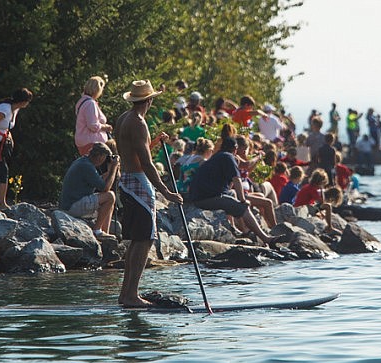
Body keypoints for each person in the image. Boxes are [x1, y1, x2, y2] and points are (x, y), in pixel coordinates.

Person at [114, 80, 183, 308]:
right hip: (139, 185)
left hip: (125, 181)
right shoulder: (139, 123)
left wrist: (154, 143)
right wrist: (167, 192)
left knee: (137, 239)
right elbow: (146, 163)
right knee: (145, 239)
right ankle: (131, 295)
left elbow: (132, 151)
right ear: (149, 100)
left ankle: (126, 294)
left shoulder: (124, 118)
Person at [189, 137, 286, 249]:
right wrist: (243, 200)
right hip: (205, 198)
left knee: (232, 194)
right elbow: (237, 179)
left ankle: (240, 229)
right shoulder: (228, 157)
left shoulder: (217, 156)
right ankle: (266, 238)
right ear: (235, 149)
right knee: (242, 207)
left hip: (201, 195)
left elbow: (245, 166)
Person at [59, 142, 119, 239]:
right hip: (72, 206)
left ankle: (103, 233)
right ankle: (96, 230)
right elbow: (105, 188)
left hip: (70, 204)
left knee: (109, 203)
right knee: (110, 196)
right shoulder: (87, 166)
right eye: (105, 157)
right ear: (100, 156)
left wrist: (109, 172)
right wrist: (114, 168)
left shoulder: (83, 161)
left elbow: (99, 182)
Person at [75, 76, 113, 156]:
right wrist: (105, 127)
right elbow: (93, 125)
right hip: (91, 143)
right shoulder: (90, 104)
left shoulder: (82, 101)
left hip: (85, 141)